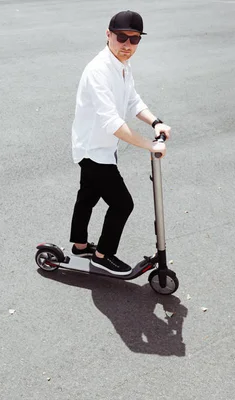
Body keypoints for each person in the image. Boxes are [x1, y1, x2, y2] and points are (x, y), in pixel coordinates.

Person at [69, 10, 171, 275]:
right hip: (93, 150)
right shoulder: (98, 71)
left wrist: (155, 122)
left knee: (88, 196)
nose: (127, 45)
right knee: (123, 203)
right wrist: (150, 145)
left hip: (100, 146)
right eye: (121, 37)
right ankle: (102, 256)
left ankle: (80, 247)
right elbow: (113, 124)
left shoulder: (123, 65)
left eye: (134, 39)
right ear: (108, 35)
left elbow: (133, 101)